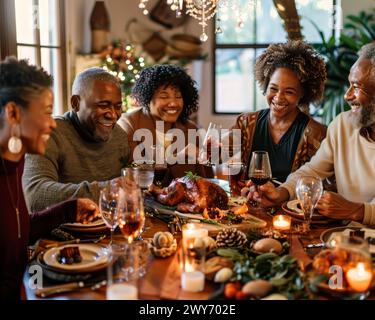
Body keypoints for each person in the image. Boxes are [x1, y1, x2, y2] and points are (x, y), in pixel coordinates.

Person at [0, 57, 100, 300]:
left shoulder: (15, 161)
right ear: (13, 112)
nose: (52, 124)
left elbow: (16, 232)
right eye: (46, 112)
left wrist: (68, 210)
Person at [245, 43, 375, 225]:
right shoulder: (342, 125)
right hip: (344, 239)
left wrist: (358, 211)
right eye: (349, 85)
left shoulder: (314, 130)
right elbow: (313, 171)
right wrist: (280, 193)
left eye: (356, 87)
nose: (347, 95)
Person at [22, 67, 130, 212]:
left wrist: (144, 187)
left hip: (110, 230)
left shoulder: (119, 135)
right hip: (60, 232)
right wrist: (107, 190)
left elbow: (129, 187)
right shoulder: (49, 135)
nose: (113, 115)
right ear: (75, 103)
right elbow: (35, 196)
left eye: (118, 107)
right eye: (103, 105)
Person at [231, 40, 327, 183]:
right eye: (273, 89)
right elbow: (222, 153)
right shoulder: (246, 123)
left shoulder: (316, 134)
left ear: (303, 94)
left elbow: (321, 183)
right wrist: (212, 149)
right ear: (266, 84)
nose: (278, 97)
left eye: (289, 92)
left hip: (290, 205)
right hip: (249, 203)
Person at [117, 64, 207, 181]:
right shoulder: (129, 124)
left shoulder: (191, 129)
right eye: (164, 97)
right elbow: (131, 169)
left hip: (183, 198)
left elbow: (204, 180)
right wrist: (177, 157)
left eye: (178, 96)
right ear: (148, 98)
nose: (173, 103)